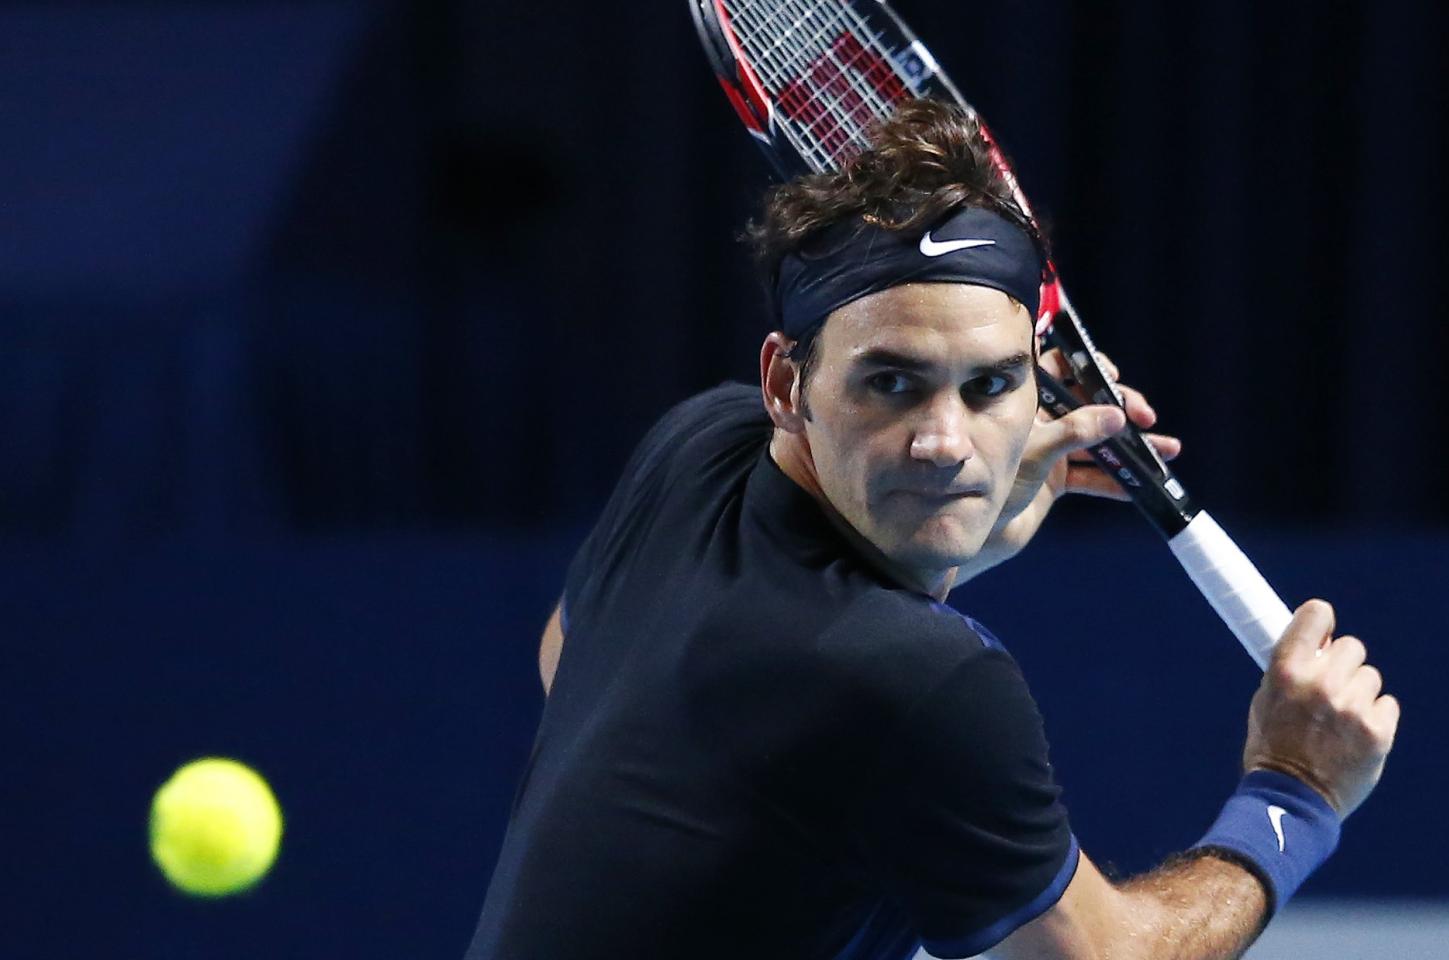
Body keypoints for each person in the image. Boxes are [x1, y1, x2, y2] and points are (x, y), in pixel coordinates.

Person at [462, 99, 1398, 960]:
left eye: (989, 385)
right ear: (788, 383)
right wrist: (1294, 791)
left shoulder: (699, 446)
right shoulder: (925, 681)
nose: (946, 446)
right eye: (892, 382)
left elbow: (571, 659)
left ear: (1041, 382)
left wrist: (945, 558)